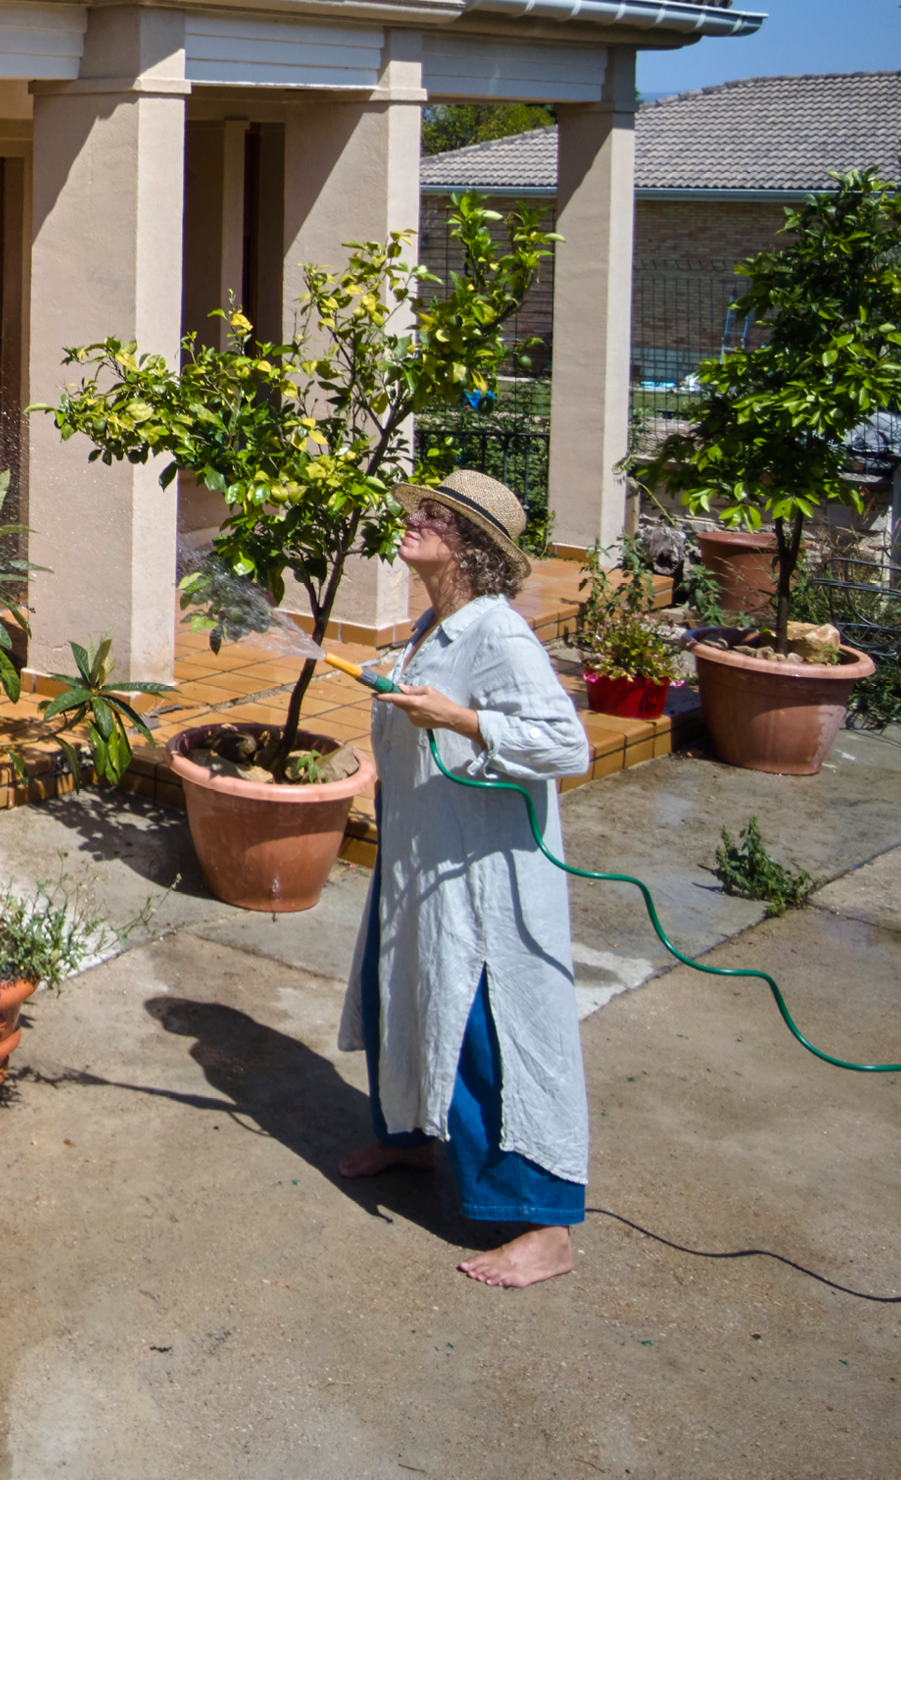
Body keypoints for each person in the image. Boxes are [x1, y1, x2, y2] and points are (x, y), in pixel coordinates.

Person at [336, 468, 595, 1288]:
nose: (412, 520)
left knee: (488, 1034)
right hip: (420, 861)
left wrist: (456, 717)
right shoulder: (432, 624)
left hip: (481, 881)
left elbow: (565, 745)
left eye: (434, 517)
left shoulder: (499, 634)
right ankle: (409, 1136)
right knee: (398, 997)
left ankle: (543, 1225)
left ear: (471, 549)